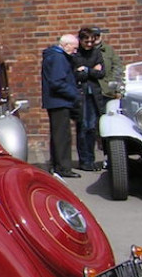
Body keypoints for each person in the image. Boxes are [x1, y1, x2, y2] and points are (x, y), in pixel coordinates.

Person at [41, 33, 80, 178]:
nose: (75, 52)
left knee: (58, 135)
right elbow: (57, 82)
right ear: (66, 45)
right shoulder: (59, 58)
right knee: (62, 137)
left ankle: (57, 165)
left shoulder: (53, 55)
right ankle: (63, 168)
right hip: (60, 101)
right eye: (74, 48)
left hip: (55, 101)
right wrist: (74, 94)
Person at [71, 27, 106, 171]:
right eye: (87, 42)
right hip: (81, 94)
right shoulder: (75, 54)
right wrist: (92, 71)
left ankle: (90, 160)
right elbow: (75, 75)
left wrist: (85, 70)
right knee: (83, 127)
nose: (90, 44)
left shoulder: (96, 52)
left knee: (92, 128)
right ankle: (84, 161)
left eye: (92, 41)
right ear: (80, 40)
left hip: (94, 95)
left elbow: (102, 73)